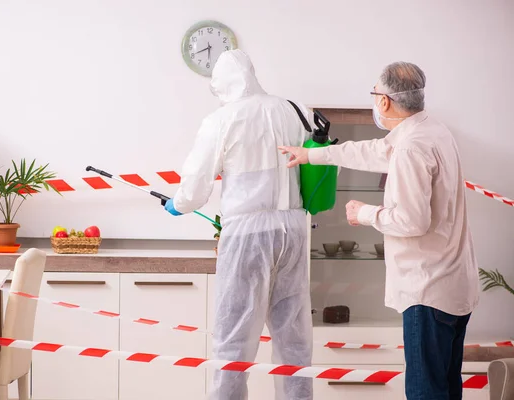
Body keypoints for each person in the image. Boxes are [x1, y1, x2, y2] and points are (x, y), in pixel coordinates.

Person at [279, 61, 479, 400]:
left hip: (427, 292)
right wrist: (313, 156)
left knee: (425, 392)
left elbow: (411, 221)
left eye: (375, 95)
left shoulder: (412, 147)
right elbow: (374, 150)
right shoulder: (431, 130)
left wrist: (364, 213)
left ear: (384, 100)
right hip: (452, 286)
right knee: (445, 389)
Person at [165, 49, 313, 400]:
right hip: (293, 230)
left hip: (247, 235)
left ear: (221, 86)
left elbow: (195, 188)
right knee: (294, 340)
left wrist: (178, 204)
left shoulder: (221, 119)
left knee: (232, 340)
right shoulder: (294, 109)